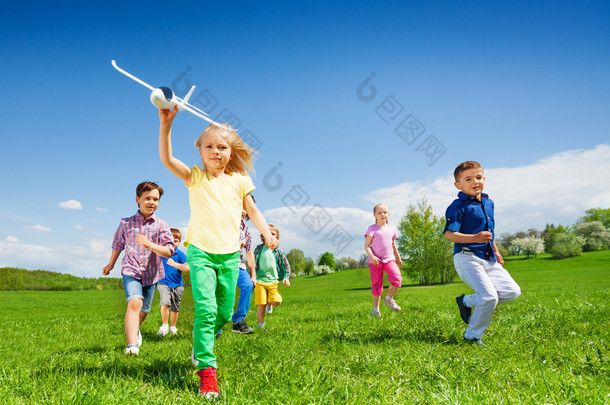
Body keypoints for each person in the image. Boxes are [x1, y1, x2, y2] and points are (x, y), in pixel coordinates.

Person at [158, 106, 278, 399]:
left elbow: (252, 209)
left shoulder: (239, 181)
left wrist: (265, 232)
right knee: (206, 308)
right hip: (200, 253)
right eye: (209, 146)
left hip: (228, 256)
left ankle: (202, 343)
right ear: (200, 151)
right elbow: (167, 159)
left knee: (224, 311)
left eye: (222, 147)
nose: (216, 151)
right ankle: (207, 373)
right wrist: (166, 126)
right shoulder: (195, 176)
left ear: (231, 151)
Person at [444, 161, 521, 347]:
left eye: (478, 177)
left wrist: (495, 250)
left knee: (512, 291)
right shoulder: (457, 206)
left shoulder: (488, 203)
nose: (475, 182)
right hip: (466, 256)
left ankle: (466, 301)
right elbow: (449, 234)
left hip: (487, 256)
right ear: (458, 185)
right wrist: (474, 238)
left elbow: (488, 231)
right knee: (489, 297)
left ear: (484, 178)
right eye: (468, 179)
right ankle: (472, 337)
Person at [102, 181, 174, 356]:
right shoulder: (126, 223)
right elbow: (118, 244)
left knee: (144, 310)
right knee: (134, 302)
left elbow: (169, 251)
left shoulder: (161, 225)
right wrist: (111, 264)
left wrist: (150, 245)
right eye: (147, 198)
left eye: (155, 199)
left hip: (151, 274)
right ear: (137, 199)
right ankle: (131, 346)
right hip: (131, 270)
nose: (152, 202)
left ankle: (134, 328)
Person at [364, 203, 403, 317]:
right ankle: (375, 310)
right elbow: (367, 246)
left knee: (397, 278)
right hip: (376, 261)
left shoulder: (391, 229)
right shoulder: (372, 229)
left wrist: (398, 257)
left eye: (385, 212)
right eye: (379, 213)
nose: (382, 214)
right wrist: (372, 257)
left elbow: (393, 244)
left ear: (389, 214)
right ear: (374, 215)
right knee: (377, 285)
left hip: (389, 259)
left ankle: (389, 299)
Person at [253, 224, 291, 328]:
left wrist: (286, 277)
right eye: (267, 233)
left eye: (273, 234)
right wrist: (253, 276)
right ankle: (260, 324)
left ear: (277, 238)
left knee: (276, 301)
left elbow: (285, 265)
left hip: (273, 281)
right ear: (263, 236)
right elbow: (253, 263)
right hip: (260, 280)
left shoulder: (278, 251)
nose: (270, 236)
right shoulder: (258, 249)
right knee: (261, 303)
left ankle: (270, 303)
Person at [156, 228, 189, 337]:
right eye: (169, 240)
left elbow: (187, 268)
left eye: (175, 241)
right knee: (165, 302)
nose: (172, 243)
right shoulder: (162, 252)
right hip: (163, 282)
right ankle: (164, 325)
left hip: (178, 285)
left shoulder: (180, 254)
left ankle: (173, 327)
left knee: (175, 307)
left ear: (179, 242)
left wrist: (174, 264)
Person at [231, 208, 257, 334]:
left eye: (246, 208)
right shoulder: (224, 223)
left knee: (247, 285)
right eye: (240, 206)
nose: (243, 211)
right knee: (223, 294)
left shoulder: (246, 230)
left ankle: (238, 321)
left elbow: (250, 253)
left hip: (238, 265)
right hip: (221, 263)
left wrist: (253, 275)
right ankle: (216, 328)